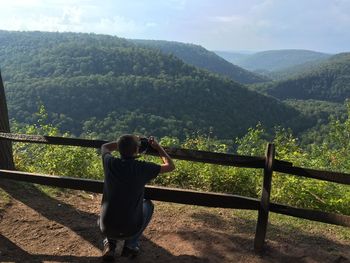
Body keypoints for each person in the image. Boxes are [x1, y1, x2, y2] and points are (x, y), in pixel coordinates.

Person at [99, 134, 175, 261]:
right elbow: (170, 166)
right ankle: (131, 245)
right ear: (136, 150)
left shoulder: (110, 163)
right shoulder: (143, 168)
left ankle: (110, 244)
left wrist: (124, 142)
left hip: (106, 227)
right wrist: (157, 147)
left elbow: (105, 147)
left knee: (114, 206)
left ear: (119, 148)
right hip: (130, 229)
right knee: (148, 205)